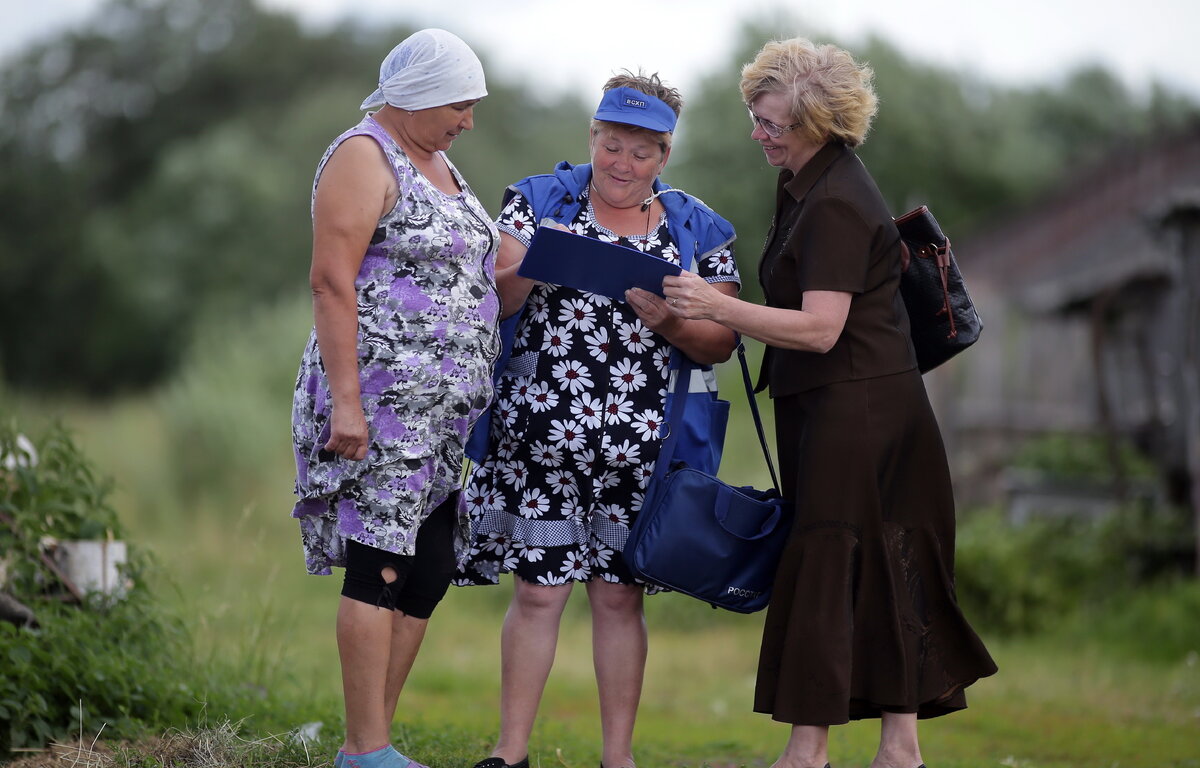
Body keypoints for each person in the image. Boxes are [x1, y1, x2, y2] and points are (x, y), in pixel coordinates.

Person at [659, 38, 998, 768]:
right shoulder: (808, 181)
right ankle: (898, 748)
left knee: (833, 561)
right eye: (756, 117)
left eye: (772, 124)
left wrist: (715, 309)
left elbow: (819, 329)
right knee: (877, 562)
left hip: (859, 411)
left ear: (817, 123)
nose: (758, 134)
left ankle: (808, 751)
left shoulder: (839, 199)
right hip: (848, 404)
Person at [457, 72, 740, 768]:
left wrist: (672, 317)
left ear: (665, 155)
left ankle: (620, 759)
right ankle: (510, 752)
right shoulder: (536, 198)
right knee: (537, 592)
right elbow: (499, 295)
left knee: (618, 600)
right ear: (592, 135)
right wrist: (542, 259)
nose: (622, 163)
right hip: (541, 441)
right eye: (611, 145)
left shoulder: (701, 227)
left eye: (641, 153)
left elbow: (723, 340)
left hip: (642, 450)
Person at [289, 29, 499, 768]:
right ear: (415, 97)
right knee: (379, 564)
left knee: (429, 568)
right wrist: (347, 405)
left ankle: (367, 743)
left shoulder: (438, 161)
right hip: (380, 407)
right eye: (459, 104)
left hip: (442, 417)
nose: (469, 119)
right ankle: (368, 747)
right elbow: (331, 280)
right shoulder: (363, 154)